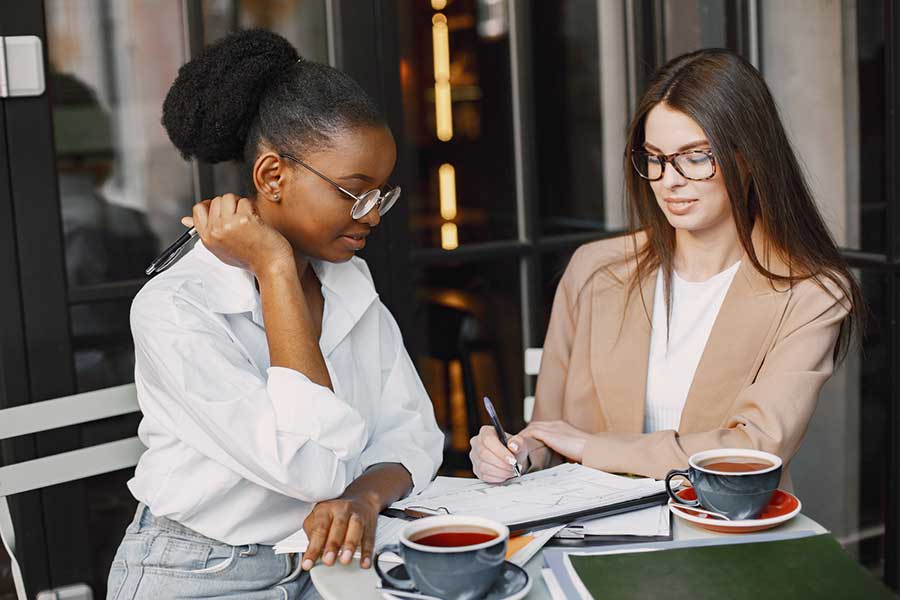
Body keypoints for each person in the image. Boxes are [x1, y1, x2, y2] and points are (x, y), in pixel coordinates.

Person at [107, 29, 443, 599]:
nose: (373, 215)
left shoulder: (347, 279)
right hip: (199, 572)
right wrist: (275, 270)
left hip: (328, 559)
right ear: (271, 177)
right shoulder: (176, 307)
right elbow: (311, 467)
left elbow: (413, 434)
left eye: (382, 195)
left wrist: (363, 496)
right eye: (355, 192)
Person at [470, 48, 862, 487]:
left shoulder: (811, 292)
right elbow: (550, 432)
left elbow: (754, 449)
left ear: (750, 158)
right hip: (594, 531)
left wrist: (593, 448)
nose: (669, 180)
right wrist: (516, 453)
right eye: (654, 158)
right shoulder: (595, 270)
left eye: (695, 156)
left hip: (723, 533)